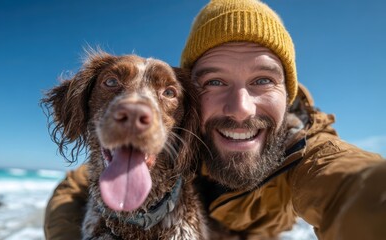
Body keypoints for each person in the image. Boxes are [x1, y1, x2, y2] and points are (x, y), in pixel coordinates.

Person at [44, 0, 386, 239]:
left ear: (288, 92)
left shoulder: (308, 153)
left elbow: (356, 185)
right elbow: (74, 189)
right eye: (215, 82)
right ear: (194, 102)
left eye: (263, 80)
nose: (240, 108)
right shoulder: (182, 136)